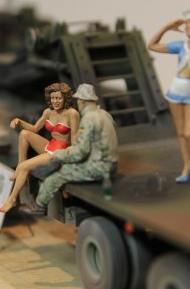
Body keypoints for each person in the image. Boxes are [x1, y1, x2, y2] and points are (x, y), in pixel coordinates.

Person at [18, 83, 118, 216]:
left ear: (82, 101)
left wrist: (57, 156)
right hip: (110, 162)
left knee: (57, 176)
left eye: (79, 100)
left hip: (98, 166)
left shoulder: (88, 119)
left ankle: (40, 206)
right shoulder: (104, 114)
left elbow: (80, 152)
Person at [0, 82, 79, 213]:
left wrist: (72, 158)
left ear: (65, 98)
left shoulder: (72, 114)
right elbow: (35, 129)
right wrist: (19, 121)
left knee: (25, 167)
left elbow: (75, 140)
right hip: (51, 145)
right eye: (53, 98)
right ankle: (19, 169)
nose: (55, 101)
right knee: (24, 134)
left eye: (58, 98)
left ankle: (12, 199)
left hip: (60, 152)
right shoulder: (48, 112)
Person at [147, 10, 190, 185]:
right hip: (176, 91)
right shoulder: (180, 46)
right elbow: (152, 45)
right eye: (186, 23)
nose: (187, 26)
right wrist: (167, 27)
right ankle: (187, 166)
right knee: (181, 133)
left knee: (189, 133)